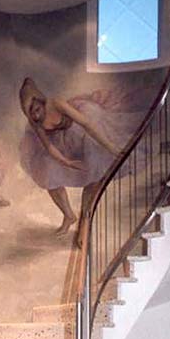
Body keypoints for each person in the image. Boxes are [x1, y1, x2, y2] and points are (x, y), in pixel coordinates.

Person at [19, 77, 148, 236]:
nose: (36, 115)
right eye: (31, 113)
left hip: (82, 134)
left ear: (41, 101)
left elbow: (86, 124)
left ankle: (85, 224)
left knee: (95, 170)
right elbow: (49, 147)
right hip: (62, 146)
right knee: (46, 172)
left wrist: (111, 148)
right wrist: (66, 162)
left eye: (37, 109)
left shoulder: (56, 104)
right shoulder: (35, 123)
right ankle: (68, 215)